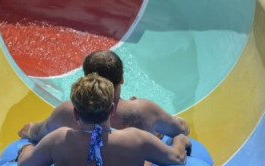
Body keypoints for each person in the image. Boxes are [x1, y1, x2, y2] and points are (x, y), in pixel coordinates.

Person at [16, 73, 190, 166]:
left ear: (76, 112)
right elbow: (177, 158)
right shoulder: (137, 139)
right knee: (146, 160)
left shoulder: (58, 140)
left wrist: (26, 147)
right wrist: (180, 140)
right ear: (112, 109)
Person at [18, 49, 189, 142]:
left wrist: (29, 131)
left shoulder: (67, 111)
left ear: (86, 80)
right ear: (121, 79)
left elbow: (37, 133)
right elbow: (181, 129)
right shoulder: (144, 110)